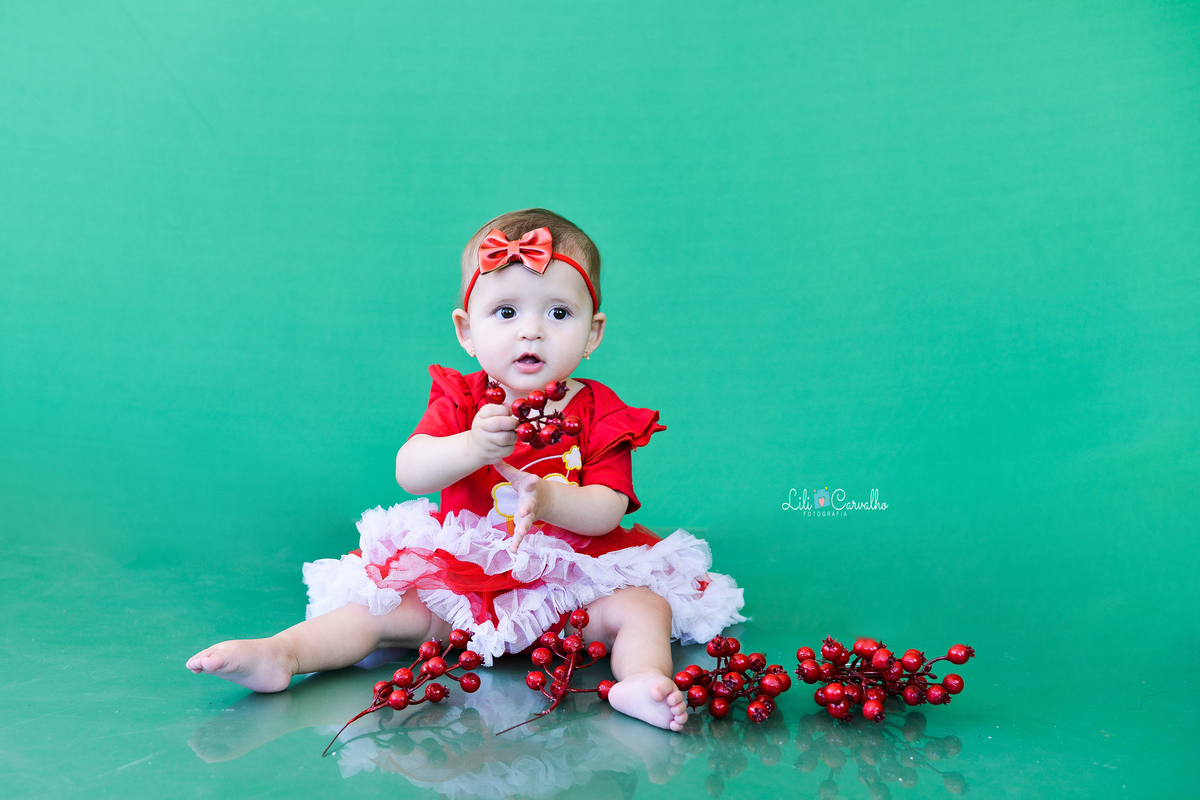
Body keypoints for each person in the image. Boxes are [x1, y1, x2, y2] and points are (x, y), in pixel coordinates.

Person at [187, 208, 745, 731]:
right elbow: (411, 471)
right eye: (506, 312)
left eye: (558, 313)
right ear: (466, 331)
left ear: (592, 333)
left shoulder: (600, 412)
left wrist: (550, 501)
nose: (531, 331)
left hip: (570, 593)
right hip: (461, 591)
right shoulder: (463, 400)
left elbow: (606, 511)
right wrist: (471, 447)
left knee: (644, 606)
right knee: (377, 609)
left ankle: (641, 680)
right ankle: (282, 653)